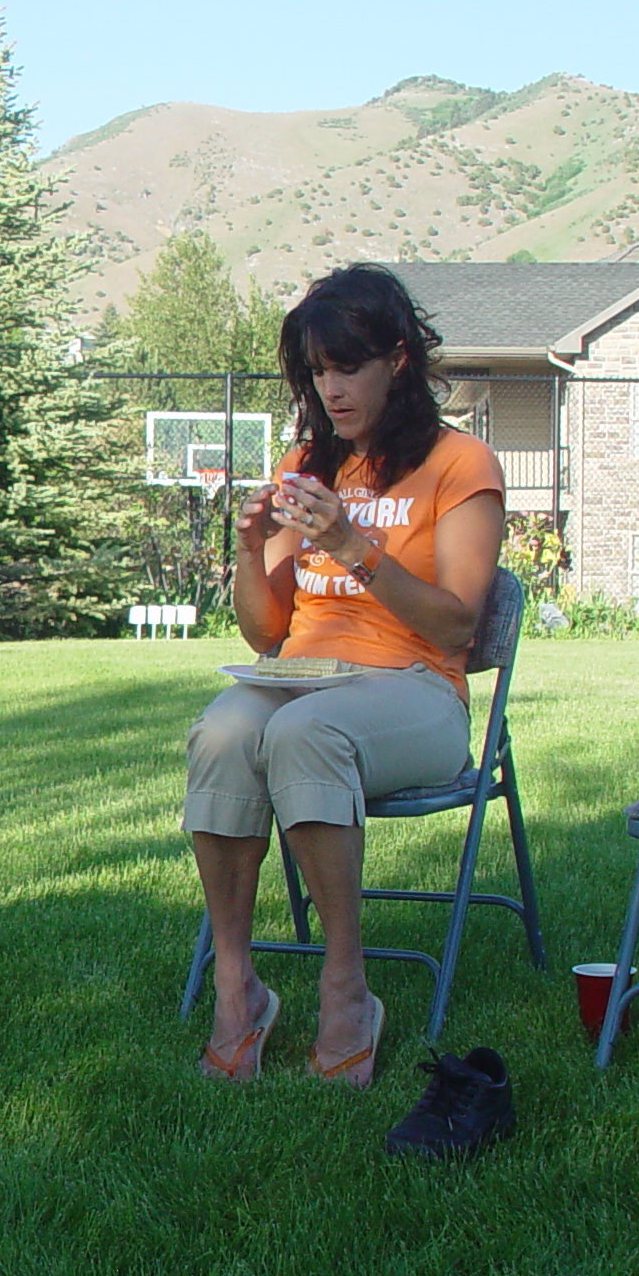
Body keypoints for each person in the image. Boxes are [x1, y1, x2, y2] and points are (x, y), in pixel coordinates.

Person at [186, 265, 507, 1088]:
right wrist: (252, 550)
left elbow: (457, 624)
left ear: (397, 359)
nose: (331, 388)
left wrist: (355, 546)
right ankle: (238, 986)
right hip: (308, 676)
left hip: (418, 690)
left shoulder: (458, 463)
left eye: (347, 367)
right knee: (222, 729)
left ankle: (345, 989)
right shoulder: (309, 464)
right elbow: (265, 632)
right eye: (317, 372)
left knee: (303, 731)